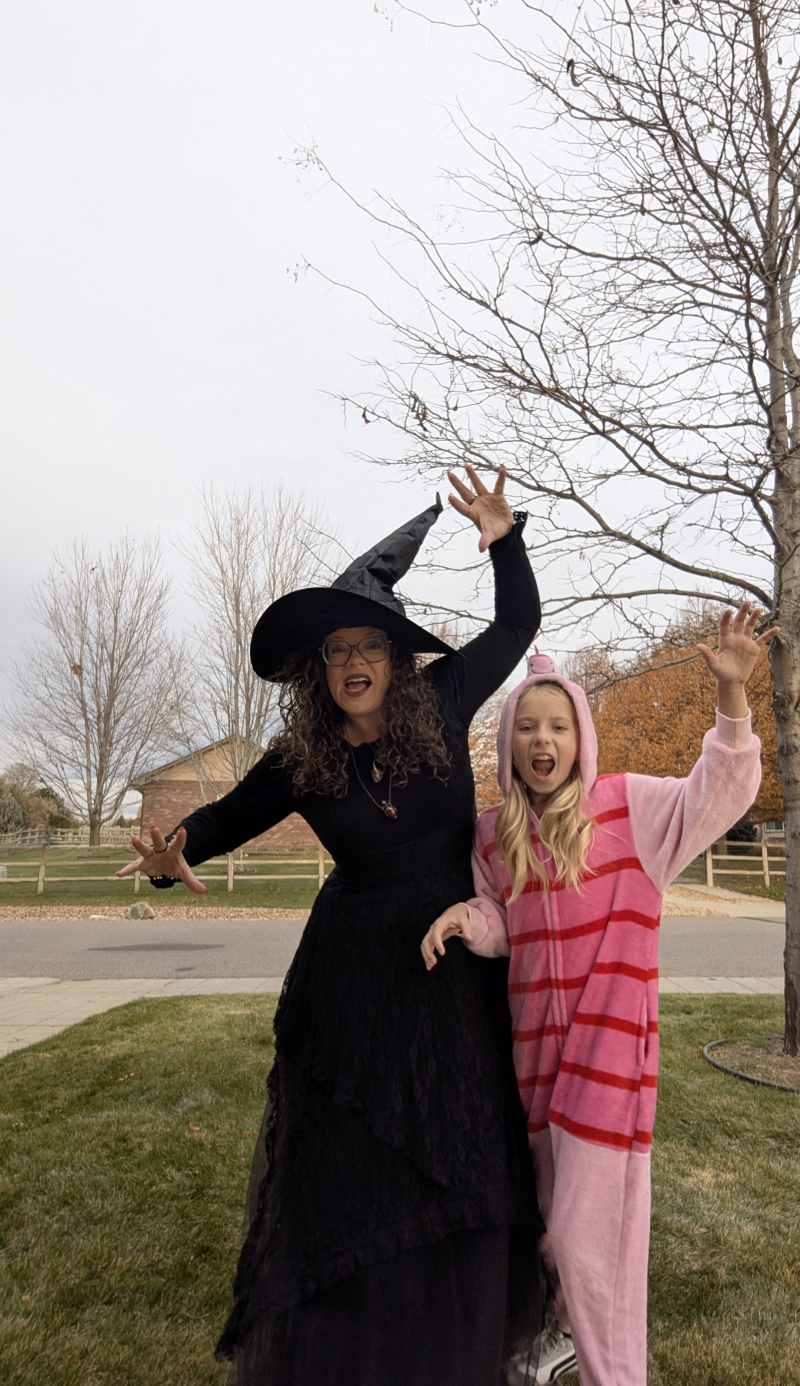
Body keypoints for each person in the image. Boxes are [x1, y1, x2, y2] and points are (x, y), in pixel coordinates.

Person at [117, 466, 545, 1386]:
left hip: (450, 968)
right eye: (337, 649)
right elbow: (225, 815)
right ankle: (356, 1338)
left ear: (396, 656)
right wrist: (173, 849)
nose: (354, 662)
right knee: (356, 1159)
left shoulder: (444, 700)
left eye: (370, 646)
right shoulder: (300, 755)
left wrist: (506, 542)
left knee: (454, 1142)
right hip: (352, 977)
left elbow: (516, 626)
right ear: (319, 667)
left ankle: (448, 1341)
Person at [421, 602, 776, 1386]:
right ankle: (561, 1337)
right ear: (509, 744)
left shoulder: (628, 808)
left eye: (558, 726)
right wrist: (467, 919)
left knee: (594, 1246)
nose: (542, 741)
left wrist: (732, 697)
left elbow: (721, 791)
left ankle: (614, 1372)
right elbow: (505, 922)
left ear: (581, 737)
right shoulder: (495, 836)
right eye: (526, 727)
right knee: (555, 1228)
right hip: (535, 1068)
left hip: (611, 1065)